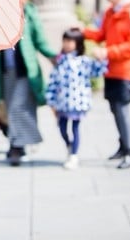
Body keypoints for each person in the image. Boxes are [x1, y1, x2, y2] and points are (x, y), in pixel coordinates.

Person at [0, 0, 57, 167]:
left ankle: (15, 148)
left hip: (25, 71)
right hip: (3, 70)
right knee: (6, 110)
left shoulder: (31, 14)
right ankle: (17, 144)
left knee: (18, 108)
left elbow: (40, 41)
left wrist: (55, 57)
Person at [82, 0, 130, 169]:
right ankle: (122, 146)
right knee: (115, 110)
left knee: (123, 110)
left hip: (127, 69)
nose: (108, 0)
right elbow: (102, 34)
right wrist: (83, 31)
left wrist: (107, 51)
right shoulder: (111, 12)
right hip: (111, 68)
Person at [45, 28, 107, 170]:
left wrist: (100, 58)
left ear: (77, 43)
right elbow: (53, 81)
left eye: (70, 41)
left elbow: (97, 72)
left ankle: (74, 154)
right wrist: (51, 101)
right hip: (62, 102)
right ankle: (69, 145)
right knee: (61, 127)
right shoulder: (60, 61)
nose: (67, 44)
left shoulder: (84, 61)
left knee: (75, 128)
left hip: (77, 102)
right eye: (65, 41)